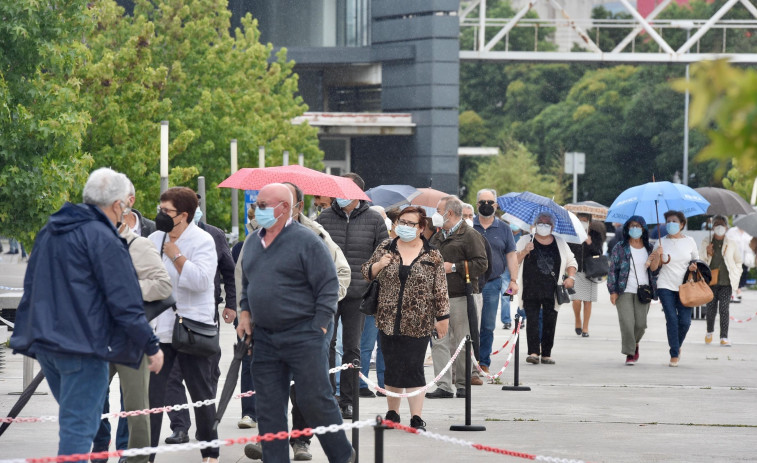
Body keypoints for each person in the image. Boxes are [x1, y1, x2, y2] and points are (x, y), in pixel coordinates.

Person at [10, 167, 164, 463]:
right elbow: (125, 301)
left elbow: (34, 285)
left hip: (47, 345)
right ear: (118, 204)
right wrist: (151, 345)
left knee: (79, 423)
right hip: (82, 348)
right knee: (79, 430)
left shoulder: (52, 230)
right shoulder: (103, 238)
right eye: (125, 205)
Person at [237, 183, 355, 463]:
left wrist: (320, 328)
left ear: (285, 208)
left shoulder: (308, 240)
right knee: (268, 406)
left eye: (263, 206)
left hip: (304, 335)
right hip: (264, 339)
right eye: (257, 205)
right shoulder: (253, 241)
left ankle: (343, 456)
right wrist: (244, 312)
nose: (257, 210)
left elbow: (328, 286)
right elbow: (247, 282)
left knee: (315, 400)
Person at [92, 179, 173, 463]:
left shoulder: (139, 246)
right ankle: (99, 453)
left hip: (131, 339)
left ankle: (134, 458)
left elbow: (163, 286)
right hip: (95, 339)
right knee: (92, 404)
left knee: (136, 409)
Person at [147, 187, 219, 463]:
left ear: (184, 215)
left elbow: (201, 281)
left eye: (167, 212)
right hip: (161, 330)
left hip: (192, 328)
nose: (161, 215)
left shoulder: (202, 240)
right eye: (160, 209)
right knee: (153, 398)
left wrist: (177, 256)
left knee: (201, 395)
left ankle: (210, 453)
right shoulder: (154, 238)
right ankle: (145, 454)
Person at [362, 206, 450, 430]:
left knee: (413, 367)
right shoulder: (386, 247)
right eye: (402, 222)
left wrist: (442, 317)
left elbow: (440, 288)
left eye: (411, 224)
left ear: (421, 228)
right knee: (391, 366)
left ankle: (416, 416)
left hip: (419, 319)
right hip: (388, 317)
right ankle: (392, 413)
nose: (405, 227)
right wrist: (379, 265)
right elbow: (366, 272)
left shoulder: (432, 254)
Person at [163, 204, 238, 444]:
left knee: (206, 373)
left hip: (204, 317)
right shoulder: (161, 237)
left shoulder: (213, 235)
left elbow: (229, 271)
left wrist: (232, 304)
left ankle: (205, 425)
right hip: (170, 315)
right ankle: (180, 426)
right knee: (171, 375)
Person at [316, 172, 389, 419]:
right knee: (325, 346)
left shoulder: (374, 220)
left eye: (345, 190)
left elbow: (384, 254)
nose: (340, 196)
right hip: (328, 292)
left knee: (351, 348)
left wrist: (373, 282)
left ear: (358, 193)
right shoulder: (324, 218)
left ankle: (348, 399)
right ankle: (326, 398)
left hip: (358, 293)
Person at [426, 195, 488, 398]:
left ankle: (462, 383)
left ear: (449, 213)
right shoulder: (437, 236)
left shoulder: (469, 235)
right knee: (439, 342)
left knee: (462, 342)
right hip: (438, 297)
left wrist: (453, 267)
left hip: (461, 296)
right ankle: (443, 385)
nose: (435, 214)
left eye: (438, 210)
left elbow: (481, 264)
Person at [515, 211, 577, 365]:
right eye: (541, 222)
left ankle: (547, 353)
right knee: (533, 321)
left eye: (547, 223)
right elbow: (513, 260)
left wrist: (571, 277)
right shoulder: (525, 240)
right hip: (530, 287)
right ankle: (534, 352)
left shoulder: (560, 242)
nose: (544, 225)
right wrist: (525, 251)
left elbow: (572, 262)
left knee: (550, 320)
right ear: (535, 225)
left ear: (552, 226)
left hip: (552, 289)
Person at [472, 189, 518, 374]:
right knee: (470, 324)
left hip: (492, 283)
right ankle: (470, 362)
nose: (486, 205)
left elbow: (511, 255)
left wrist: (513, 280)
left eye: (490, 202)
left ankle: (484, 362)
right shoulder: (468, 226)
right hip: (470, 283)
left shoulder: (504, 229)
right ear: (477, 204)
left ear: (496, 205)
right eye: (483, 201)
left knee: (488, 325)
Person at [649, 210, 699, 367]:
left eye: (674, 221)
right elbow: (653, 268)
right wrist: (658, 255)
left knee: (685, 322)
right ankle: (674, 353)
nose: (670, 224)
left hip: (685, 286)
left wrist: (693, 267)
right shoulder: (660, 242)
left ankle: (677, 345)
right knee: (671, 318)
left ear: (682, 224)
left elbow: (697, 263)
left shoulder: (690, 241)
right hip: (665, 285)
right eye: (668, 221)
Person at [607, 216, 657, 365]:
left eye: (638, 226)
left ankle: (635, 343)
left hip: (644, 290)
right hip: (624, 290)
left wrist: (658, 255)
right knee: (627, 323)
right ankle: (630, 353)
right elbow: (612, 271)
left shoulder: (650, 248)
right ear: (627, 229)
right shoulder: (620, 247)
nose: (635, 229)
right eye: (632, 226)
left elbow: (656, 269)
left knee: (641, 325)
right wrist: (612, 291)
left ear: (643, 229)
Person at [701, 216, 742, 347]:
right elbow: (700, 260)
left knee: (724, 309)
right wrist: (707, 253)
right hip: (710, 282)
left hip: (726, 282)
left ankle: (724, 337)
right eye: (717, 224)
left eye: (722, 224)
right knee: (711, 309)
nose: (719, 227)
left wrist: (736, 274)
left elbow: (738, 261)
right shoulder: (706, 241)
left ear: (726, 227)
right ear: (712, 227)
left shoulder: (731, 243)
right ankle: (709, 331)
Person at [568, 213, 605, 337]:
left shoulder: (595, 234)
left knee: (588, 301)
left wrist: (590, 242)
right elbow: (567, 251)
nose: (582, 222)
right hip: (576, 270)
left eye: (585, 220)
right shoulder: (572, 233)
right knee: (576, 299)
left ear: (589, 221)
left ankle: (585, 327)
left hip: (591, 271)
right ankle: (578, 319)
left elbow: (599, 251)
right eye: (580, 220)